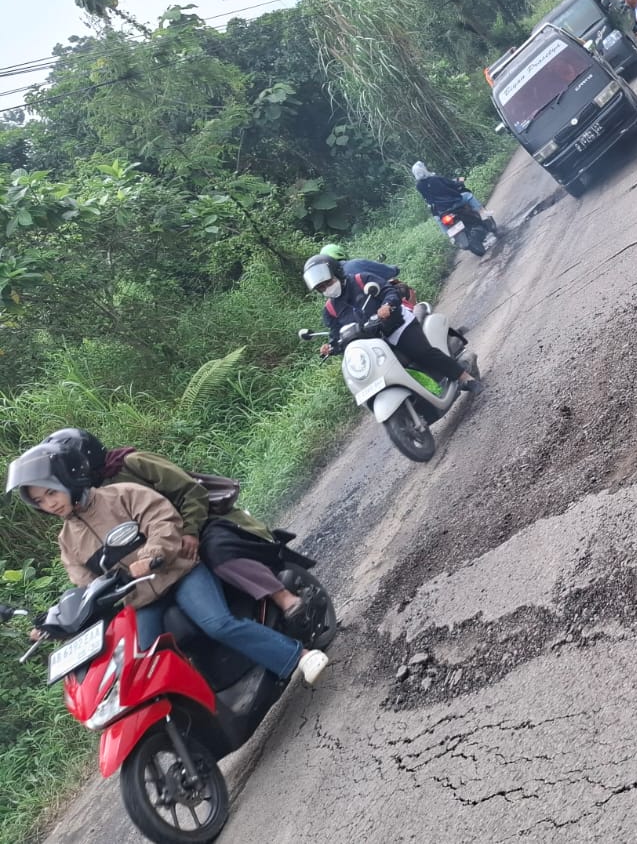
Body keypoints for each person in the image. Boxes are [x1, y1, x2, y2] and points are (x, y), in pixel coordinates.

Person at [5, 442, 328, 685]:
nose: (50, 504)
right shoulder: (67, 540)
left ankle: (299, 656)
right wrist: (57, 623)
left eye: (51, 494)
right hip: (142, 600)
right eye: (40, 501)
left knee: (217, 623)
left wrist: (152, 555)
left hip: (180, 573)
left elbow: (162, 520)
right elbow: (83, 584)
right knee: (143, 661)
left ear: (68, 480)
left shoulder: (121, 495)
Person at [42, 428, 309, 625]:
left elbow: (191, 491)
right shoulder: (88, 499)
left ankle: (282, 596)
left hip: (199, 522)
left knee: (216, 551)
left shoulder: (132, 464)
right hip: (159, 555)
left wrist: (189, 531)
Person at [303, 253, 484, 393]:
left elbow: (389, 291)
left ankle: (465, 378)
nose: (327, 289)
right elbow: (337, 335)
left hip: (397, 326)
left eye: (328, 283)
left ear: (338, 273)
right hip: (374, 344)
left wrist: (387, 305)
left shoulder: (361, 279)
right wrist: (331, 347)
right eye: (322, 288)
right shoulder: (330, 310)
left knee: (422, 352)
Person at [317, 245, 415, 307]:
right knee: (403, 288)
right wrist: (395, 269)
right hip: (379, 304)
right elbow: (389, 271)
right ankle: (416, 318)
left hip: (358, 319)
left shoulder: (329, 287)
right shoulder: (355, 264)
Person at [412, 162, 485, 239]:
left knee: (438, 219)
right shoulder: (436, 178)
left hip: (442, 209)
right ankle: (483, 214)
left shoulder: (419, 186)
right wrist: (461, 180)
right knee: (468, 196)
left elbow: (427, 198)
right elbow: (452, 184)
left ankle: (451, 237)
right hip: (455, 202)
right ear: (424, 169)